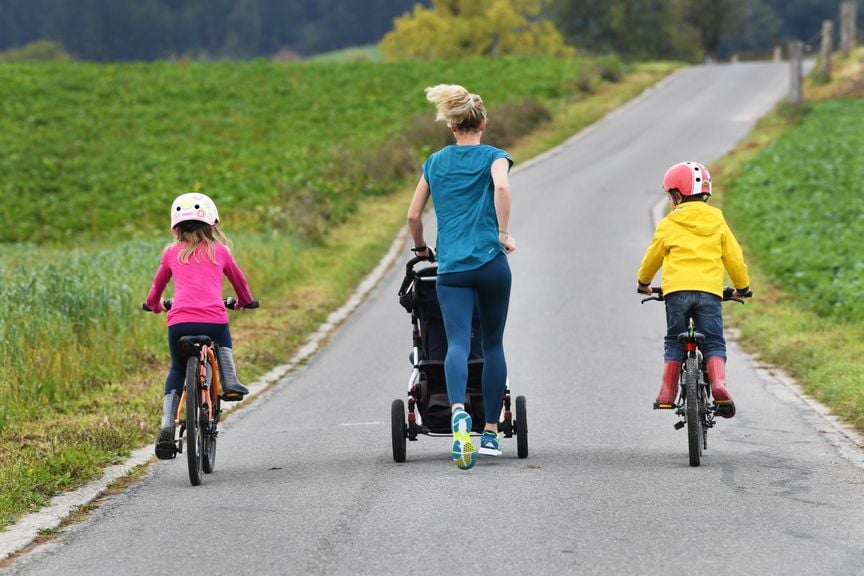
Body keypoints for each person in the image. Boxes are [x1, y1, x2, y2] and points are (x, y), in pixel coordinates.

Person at [407, 84, 517, 470]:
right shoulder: (495, 157)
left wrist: (422, 249)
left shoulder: (435, 163)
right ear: (483, 122)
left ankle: (457, 413)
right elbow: (501, 186)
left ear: (453, 127)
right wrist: (503, 235)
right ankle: (488, 431)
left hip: (452, 268)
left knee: (455, 343)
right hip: (490, 263)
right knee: (491, 345)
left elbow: (413, 216)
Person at [145, 192, 255, 459]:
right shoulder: (221, 251)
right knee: (222, 335)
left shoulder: (171, 253)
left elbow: (157, 288)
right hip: (214, 320)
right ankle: (229, 380)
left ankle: (168, 423)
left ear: (176, 226)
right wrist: (245, 302)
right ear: (211, 224)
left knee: (177, 369)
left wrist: (155, 305)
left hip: (179, 322)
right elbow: (240, 285)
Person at [636, 161, 750, 418]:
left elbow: (652, 258)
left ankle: (666, 393)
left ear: (677, 194)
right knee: (713, 342)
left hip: (676, 292)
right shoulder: (717, 220)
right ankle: (719, 385)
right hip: (709, 292)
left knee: (673, 340)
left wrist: (643, 283)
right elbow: (733, 257)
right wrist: (742, 287)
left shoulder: (669, 223)